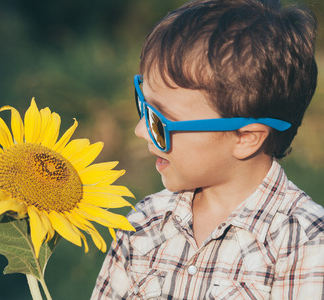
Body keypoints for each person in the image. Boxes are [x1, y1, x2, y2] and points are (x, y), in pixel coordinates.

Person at [91, 0, 324, 298]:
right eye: (143, 106)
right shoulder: (142, 224)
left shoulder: (304, 243)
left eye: (160, 121)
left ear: (245, 137)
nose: (140, 131)